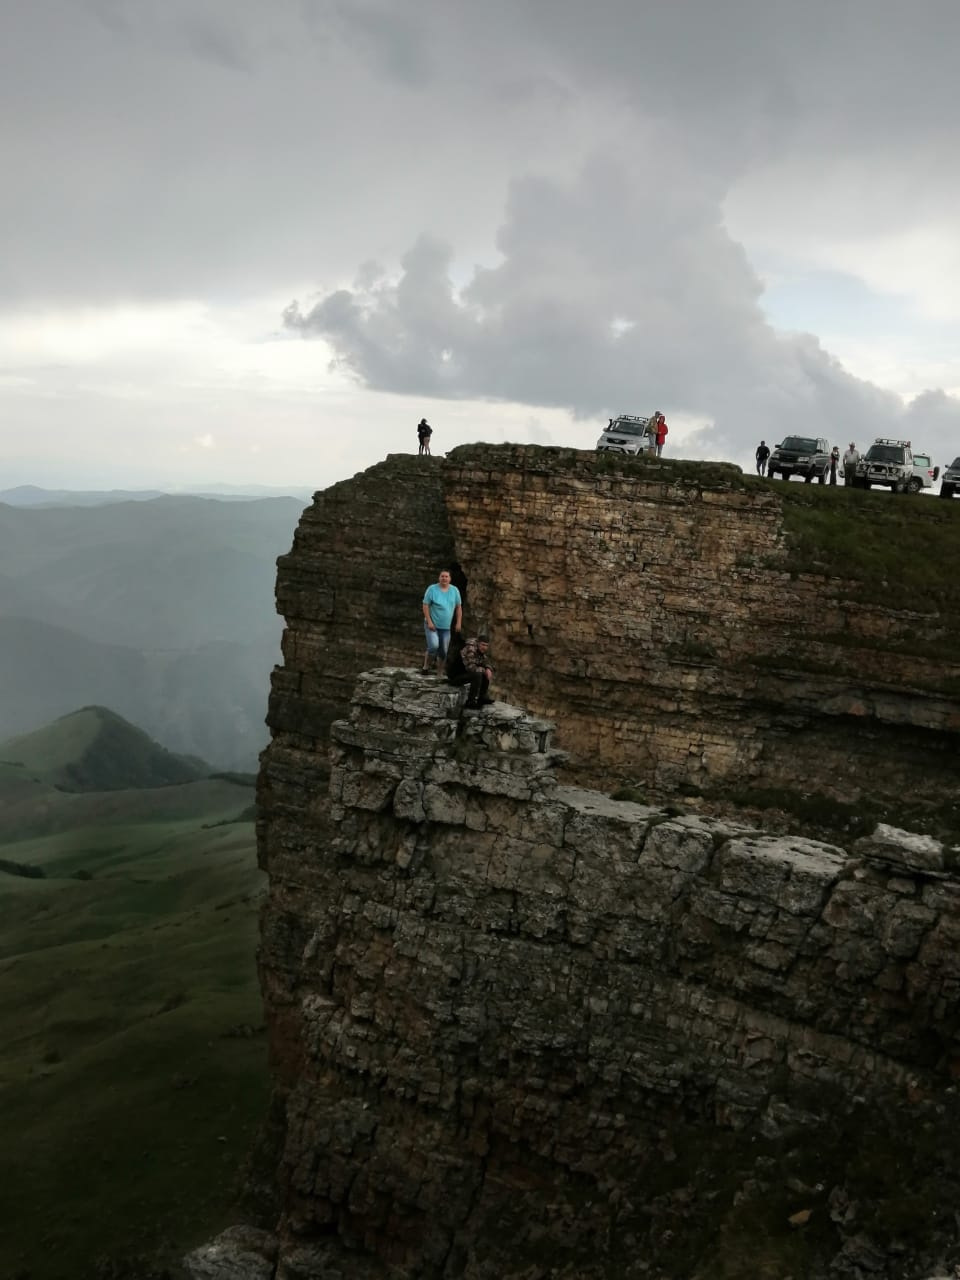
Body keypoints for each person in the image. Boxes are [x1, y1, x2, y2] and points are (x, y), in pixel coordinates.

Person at [421, 569, 461, 674]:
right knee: (433, 646)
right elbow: (425, 605)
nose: (444, 578)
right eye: (442, 576)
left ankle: (439, 673)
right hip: (432, 625)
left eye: (446, 576)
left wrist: (458, 622)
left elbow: (458, 607)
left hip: (446, 627)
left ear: (450, 579)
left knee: (443, 651)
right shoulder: (432, 589)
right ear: (439, 578)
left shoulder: (454, 590)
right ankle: (425, 667)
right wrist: (429, 622)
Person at [446, 634, 494, 709]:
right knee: (478, 674)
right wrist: (485, 671)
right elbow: (471, 668)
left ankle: (482, 697)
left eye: (486, 645)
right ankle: (471, 701)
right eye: (483, 645)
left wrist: (488, 668)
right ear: (478, 643)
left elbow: (485, 661)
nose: (484, 647)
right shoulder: (470, 649)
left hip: (465, 674)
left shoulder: (479, 650)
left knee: (484, 672)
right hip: (455, 676)